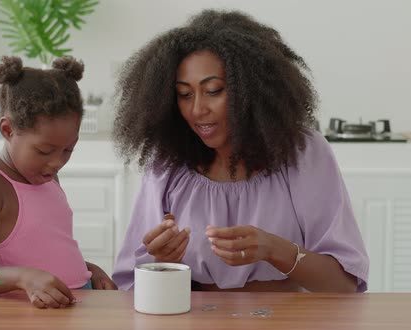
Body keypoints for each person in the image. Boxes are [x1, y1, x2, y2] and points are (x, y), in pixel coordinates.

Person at [111, 9, 369, 293]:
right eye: (184, 95)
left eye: (214, 90)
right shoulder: (167, 162)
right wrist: (161, 264)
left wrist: (274, 249)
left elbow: (344, 285)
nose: (197, 109)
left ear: (252, 92)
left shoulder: (303, 152)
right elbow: (129, 288)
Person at [0, 55, 116, 309]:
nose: (56, 163)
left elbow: (47, 248)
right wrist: (23, 278)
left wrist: (89, 270)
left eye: (68, 150)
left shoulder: (47, 176)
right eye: (44, 151)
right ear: (7, 130)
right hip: (24, 314)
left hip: (72, 305)